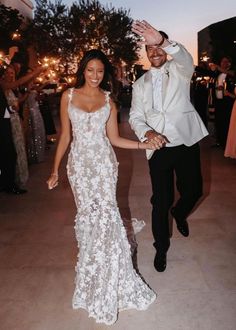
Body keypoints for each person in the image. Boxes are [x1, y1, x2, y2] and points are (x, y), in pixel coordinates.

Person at [47, 49, 156, 325]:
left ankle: (112, 278)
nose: (95, 76)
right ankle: (92, 277)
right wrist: (54, 169)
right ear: (82, 70)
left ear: (104, 73)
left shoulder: (109, 101)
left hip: (104, 167)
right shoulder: (68, 96)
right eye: (90, 70)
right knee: (88, 219)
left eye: (99, 71)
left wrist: (144, 144)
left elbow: (116, 140)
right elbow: (65, 137)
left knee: (107, 218)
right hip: (80, 168)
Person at [130, 20, 208, 272]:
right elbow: (135, 117)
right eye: (149, 48)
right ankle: (160, 247)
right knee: (160, 201)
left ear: (164, 48)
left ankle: (180, 212)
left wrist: (163, 41)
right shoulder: (139, 85)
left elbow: (185, 57)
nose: (154, 52)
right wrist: (147, 131)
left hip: (185, 142)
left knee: (194, 190)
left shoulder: (180, 70)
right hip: (158, 148)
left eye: (158, 47)